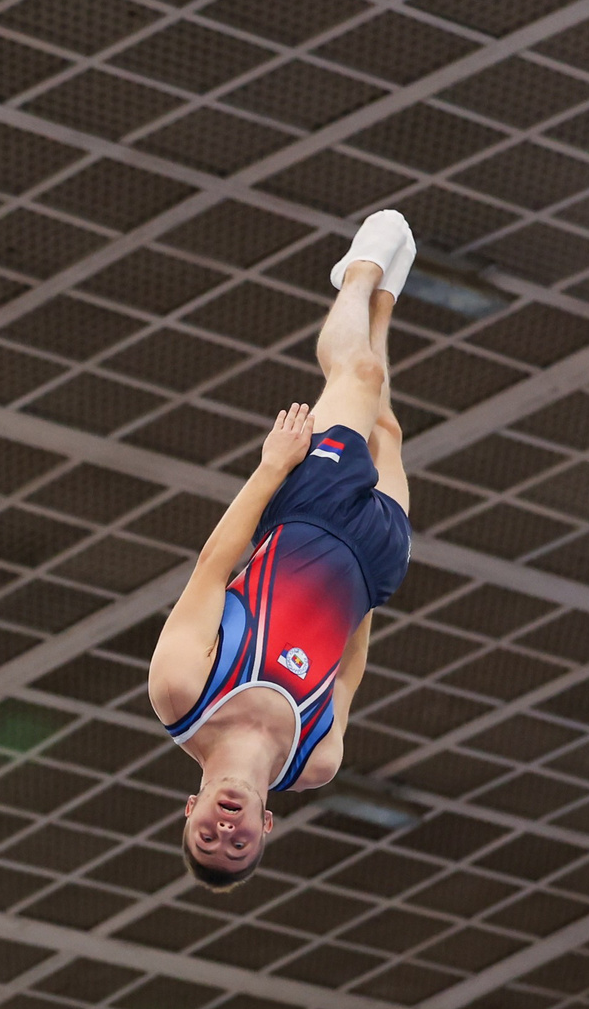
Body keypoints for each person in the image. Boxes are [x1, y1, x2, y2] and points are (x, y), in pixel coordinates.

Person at [149, 209, 418, 891]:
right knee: (383, 418)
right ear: (267, 827)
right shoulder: (317, 758)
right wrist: (373, 586)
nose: (225, 829)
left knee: (355, 372)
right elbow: (349, 663)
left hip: (305, 509)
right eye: (237, 845)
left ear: (191, 807)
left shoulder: (181, 691)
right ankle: (384, 299)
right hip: (374, 559)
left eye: (206, 833)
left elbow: (213, 565)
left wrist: (272, 469)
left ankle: (357, 274)